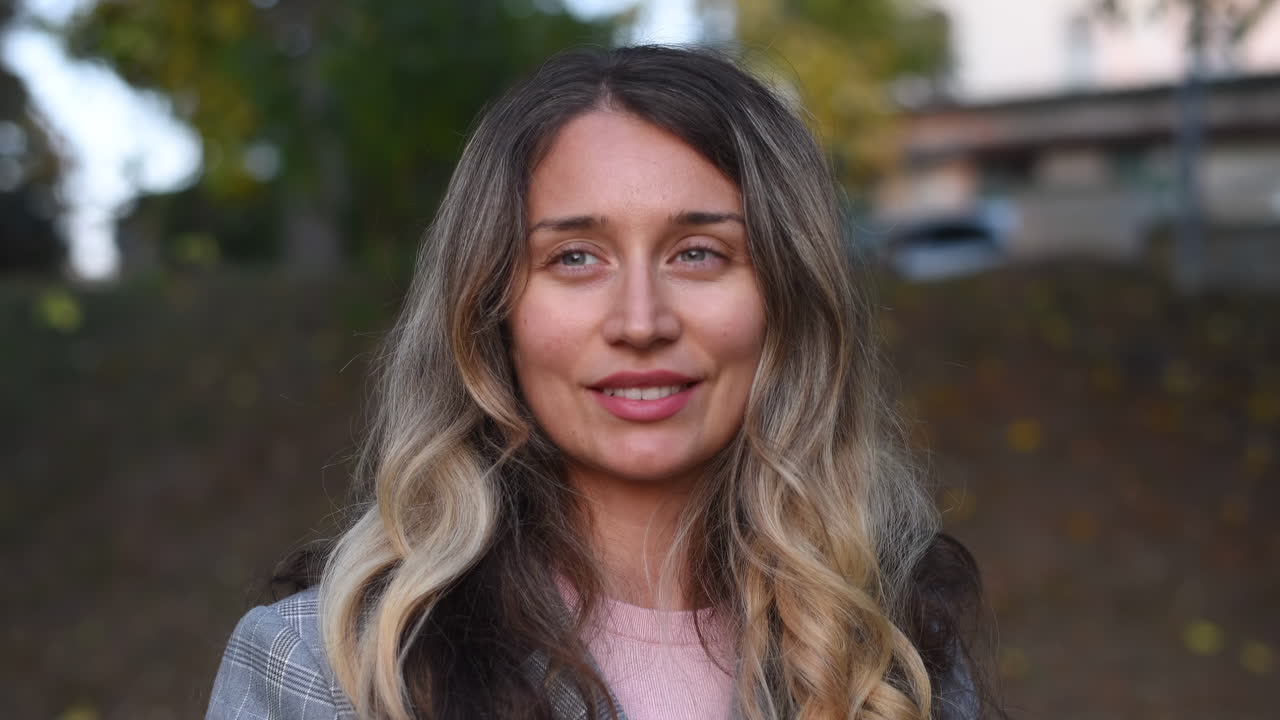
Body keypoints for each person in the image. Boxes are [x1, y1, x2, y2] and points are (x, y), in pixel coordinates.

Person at [206, 45, 999, 720]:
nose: (641, 320)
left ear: (789, 300)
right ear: (490, 310)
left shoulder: (889, 655)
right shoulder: (323, 669)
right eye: (574, 258)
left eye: (699, 253)